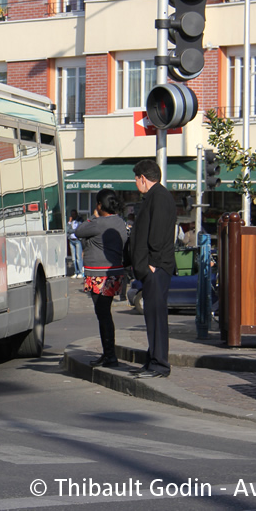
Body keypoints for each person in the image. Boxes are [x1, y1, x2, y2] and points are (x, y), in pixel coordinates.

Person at [129, 159, 177, 379]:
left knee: (156, 317)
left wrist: (153, 263)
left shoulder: (158, 197)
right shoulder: (157, 196)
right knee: (152, 316)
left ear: (143, 178)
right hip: (155, 267)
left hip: (157, 268)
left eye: (136, 178)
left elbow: (156, 233)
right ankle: (153, 360)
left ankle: (159, 364)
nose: (136, 183)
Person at [75, 189, 128, 368]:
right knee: (104, 313)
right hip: (115, 273)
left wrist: (93, 216)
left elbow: (78, 231)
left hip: (99, 275)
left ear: (99, 204)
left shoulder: (98, 223)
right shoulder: (120, 221)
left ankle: (110, 356)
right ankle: (108, 354)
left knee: (103, 314)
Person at [68, 210, 84, 278]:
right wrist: (69, 222)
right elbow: (67, 229)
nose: (73, 216)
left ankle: (80, 272)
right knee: (73, 258)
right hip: (71, 240)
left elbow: (79, 229)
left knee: (78, 257)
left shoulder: (80, 220)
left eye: (74, 214)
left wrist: (72, 230)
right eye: (72, 214)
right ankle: (76, 272)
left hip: (77, 240)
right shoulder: (70, 222)